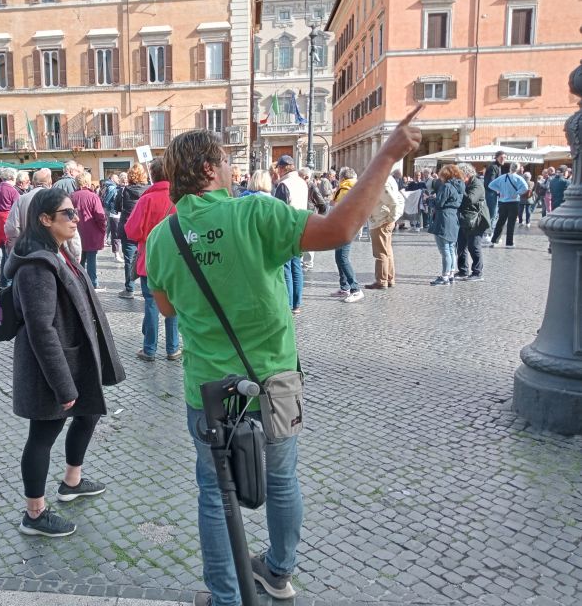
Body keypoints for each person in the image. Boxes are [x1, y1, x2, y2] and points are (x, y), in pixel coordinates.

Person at [144, 107, 423, 606]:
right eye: (226, 161)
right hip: (271, 382)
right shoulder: (254, 211)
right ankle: (278, 571)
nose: (232, 169)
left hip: (206, 391)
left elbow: (165, 306)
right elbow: (338, 231)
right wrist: (388, 154)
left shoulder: (164, 235)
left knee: (214, 492)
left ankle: (226, 597)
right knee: (281, 478)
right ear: (210, 169)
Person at [3, 188, 124, 538]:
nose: (76, 219)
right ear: (45, 220)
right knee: (43, 435)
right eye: (68, 214)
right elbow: (41, 330)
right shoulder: (36, 266)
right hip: (51, 368)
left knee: (89, 413)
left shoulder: (59, 252)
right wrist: (62, 384)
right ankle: (35, 514)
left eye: (75, 213)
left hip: (75, 357)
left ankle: (72, 481)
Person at [123, 157, 180, 362]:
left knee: (151, 303)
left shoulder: (146, 199)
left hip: (149, 258)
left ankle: (149, 349)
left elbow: (131, 230)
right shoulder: (179, 198)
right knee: (173, 304)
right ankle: (173, 348)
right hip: (174, 260)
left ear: (152, 176)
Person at [273, 158, 309, 313]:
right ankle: (297, 303)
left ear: (282, 168)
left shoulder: (284, 185)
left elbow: (279, 210)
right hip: (301, 226)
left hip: (287, 229)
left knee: (286, 267)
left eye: (278, 168)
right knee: (296, 266)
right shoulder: (302, 182)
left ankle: (288, 303)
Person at [365, 171, 405, 290]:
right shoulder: (389, 179)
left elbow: (393, 201)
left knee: (380, 252)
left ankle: (381, 280)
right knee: (387, 251)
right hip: (383, 218)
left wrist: (391, 217)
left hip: (380, 220)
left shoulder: (383, 181)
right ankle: (389, 278)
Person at [116, 163, 149, 299]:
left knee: (129, 260)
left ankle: (129, 289)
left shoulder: (124, 191)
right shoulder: (149, 190)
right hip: (145, 228)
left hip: (128, 228)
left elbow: (117, 207)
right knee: (147, 257)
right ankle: (145, 287)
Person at [428, 164, 465, 285]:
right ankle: (451, 274)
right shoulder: (460, 186)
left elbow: (439, 203)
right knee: (451, 248)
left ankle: (444, 276)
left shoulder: (447, 186)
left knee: (445, 250)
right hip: (454, 218)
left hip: (444, 218)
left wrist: (429, 199)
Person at [69, 172, 107, 289]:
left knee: (79, 259)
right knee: (91, 259)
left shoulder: (71, 196)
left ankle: (79, 281)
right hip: (91, 233)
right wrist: (103, 230)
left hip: (76, 232)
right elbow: (100, 216)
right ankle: (93, 283)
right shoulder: (93, 196)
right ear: (87, 182)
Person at [331, 168, 363, 303]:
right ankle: (344, 287)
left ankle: (355, 289)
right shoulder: (357, 188)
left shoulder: (344, 190)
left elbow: (336, 207)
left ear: (342, 178)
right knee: (340, 257)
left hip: (345, 227)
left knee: (342, 258)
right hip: (352, 225)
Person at [455, 162, 489, 282]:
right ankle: (463, 270)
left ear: (467, 174)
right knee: (461, 245)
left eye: (459, 175)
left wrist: (459, 190)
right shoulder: (465, 183)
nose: (457, 178)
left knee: (474, 246)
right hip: (464, 219)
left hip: (476, 220)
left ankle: (477, 272)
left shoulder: (477, 184)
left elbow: (470, 199)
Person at [489, 161, 528, 248]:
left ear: (510, 167)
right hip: (514, 202)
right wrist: (517, 193)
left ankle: (494, 241)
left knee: (500, 222)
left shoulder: (502, 177)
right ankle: (509, 243)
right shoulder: (519, 178)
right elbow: (525, 187)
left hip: (503, 202)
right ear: (517, 169)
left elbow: (491, 185)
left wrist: (499, 190)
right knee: (511, 223)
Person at [101, 174, 123, 262]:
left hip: (120, 214)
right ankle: (116, 253)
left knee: (114, 231)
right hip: (115, 214)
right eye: (118, 178)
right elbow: (106, 201)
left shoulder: (118, 187)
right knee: (115, 233)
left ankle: (117, 252)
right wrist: (112, 209)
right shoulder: (112, 188)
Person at [483, 151, 505, 237]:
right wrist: (499, 190)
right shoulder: (493, 167)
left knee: (494, 214)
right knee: (492, 214)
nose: (503, 159)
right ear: (496, 157)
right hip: (491, 193)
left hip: (492, 193)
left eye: (504, 158)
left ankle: (490, 233)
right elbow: (491, 183)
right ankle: (487, 234)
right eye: (501, 157)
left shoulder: (497, 167)